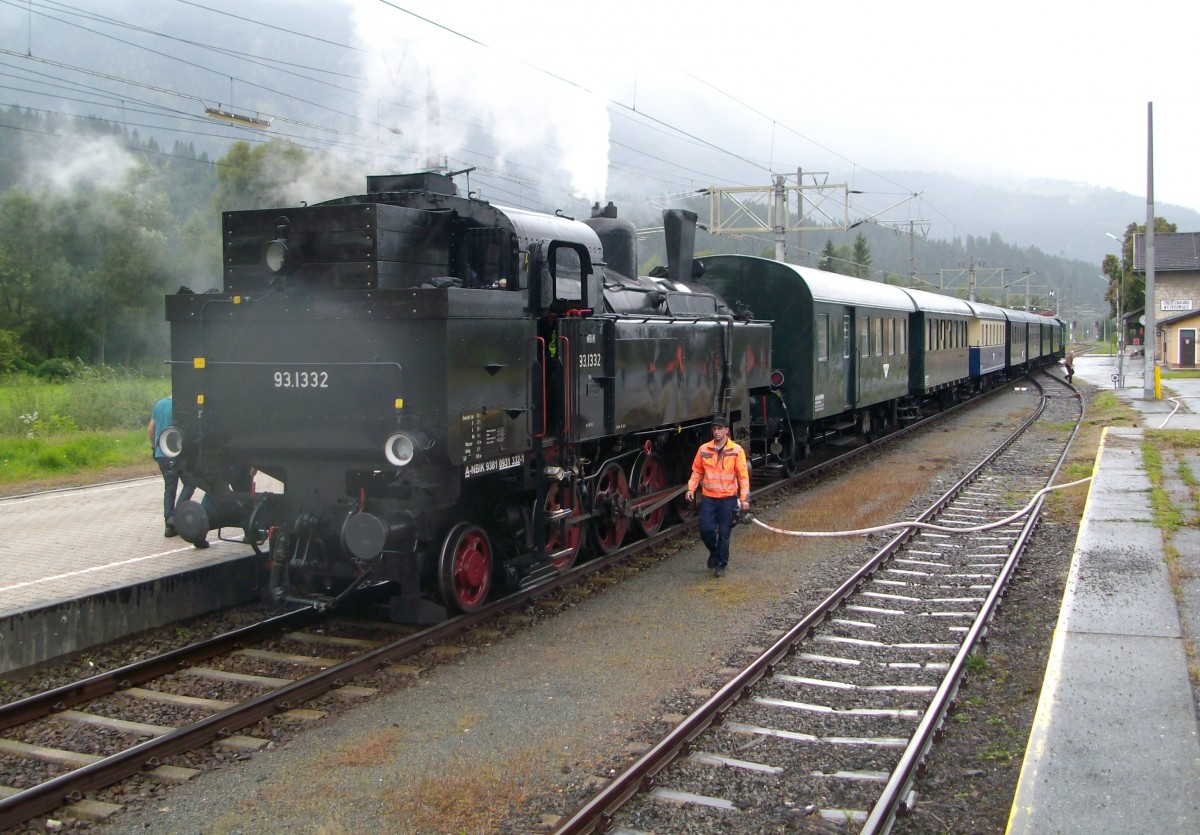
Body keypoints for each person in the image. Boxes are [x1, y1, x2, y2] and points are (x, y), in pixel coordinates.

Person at [685, 415, 750, 577]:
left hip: (728, 499)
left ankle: (721, 564)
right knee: (706, 530)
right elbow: (697, 472)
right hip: (709, 498)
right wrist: (691, 489)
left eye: (720, 429)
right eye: (714, 429)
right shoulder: (704, 450)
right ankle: (715, 552)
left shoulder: (736, 451)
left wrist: (744, 499)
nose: (716, 432)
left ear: (727, 430)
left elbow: (743, 476)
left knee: (725, 533)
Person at [148, 395, 195, 538]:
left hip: (161, 452)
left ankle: (169, 523)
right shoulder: (183, 406)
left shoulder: (159, 404)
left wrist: (153, 447)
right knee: (190, 483)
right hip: (178, 453)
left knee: (169, 487)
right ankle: (176, 516)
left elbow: (151, 429)